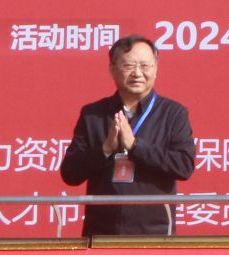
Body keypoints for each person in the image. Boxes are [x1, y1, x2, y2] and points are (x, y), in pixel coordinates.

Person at [59, 34, 195, 237]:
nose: (137, 73)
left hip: (154, 232)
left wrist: (135, 146)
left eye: (145, 65)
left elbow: (183, 166)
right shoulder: (93, 114)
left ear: (156, 69)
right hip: (101, 233)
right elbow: (70, 173)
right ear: (112, 69)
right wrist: (105, 149)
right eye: (129, 65)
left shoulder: (173, 113)